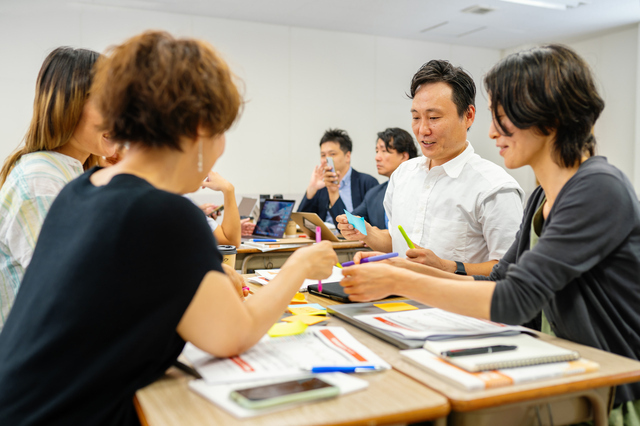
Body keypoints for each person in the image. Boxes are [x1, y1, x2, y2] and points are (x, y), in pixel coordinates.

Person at [0, 31, 337, 425]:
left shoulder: (79, 189)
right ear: (197, 128)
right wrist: (300, 265)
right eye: (221, 130)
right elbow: (233, 333)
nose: (222, 146)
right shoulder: (167, 215)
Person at [340, 45, 640, 423]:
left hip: (607, 397)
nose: (492, 131)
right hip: (559, 373)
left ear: (548, 117)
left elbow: (514, 299)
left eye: (503, 118)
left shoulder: (598, 188)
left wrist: (397, 277)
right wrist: (403, 269)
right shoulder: (541, 198)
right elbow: (500, 278)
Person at [337, 59, 524, 276]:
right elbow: (397, 244)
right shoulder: (403, 175)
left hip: (456, 307)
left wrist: (446, 267)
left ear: (469, 116)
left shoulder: (494, 187)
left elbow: (510, 271)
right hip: (399, 302)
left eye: (434, 117)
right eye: (416, 117)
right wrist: (368, 234)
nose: (422, 129)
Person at [0, 47, 117, 330]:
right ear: (69, 105)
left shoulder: (72, 172)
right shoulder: (41, 178)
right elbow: (74, 288)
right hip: (39, 361)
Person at [298, 128, 379, 226]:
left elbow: (367, 225)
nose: (326, 160)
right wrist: (312, 188)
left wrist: (333, 193)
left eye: (332, 154)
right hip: (326, 239)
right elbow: (302, 223)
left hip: (353, 239)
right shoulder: (322, 185)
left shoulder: (367, 183)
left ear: (347, 156)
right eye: (323, 155)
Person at [351, 127, 418, 229]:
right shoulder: (373, 194)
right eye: (377, 151)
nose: (377, 157)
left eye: (384, 151)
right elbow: (352, 221)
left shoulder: (420, 188)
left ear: (404, 156)